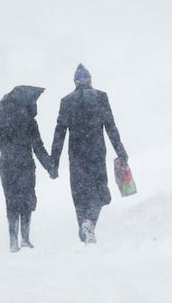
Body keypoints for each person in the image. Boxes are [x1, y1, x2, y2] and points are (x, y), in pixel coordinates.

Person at [49, 64, 129, 244]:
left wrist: (54, 162)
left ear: (75, 82)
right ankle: (90, 223)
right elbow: (111, 127)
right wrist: (121, 151)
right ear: (90, 80)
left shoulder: (66, 101)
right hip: (96, 154)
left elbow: (59, 134)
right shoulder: (100, 97)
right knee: (99, 192)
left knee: (79, 194)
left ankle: (84, 227)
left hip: (77, 155)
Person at [0, 85, 55, 252]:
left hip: (7, 164)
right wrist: (50, 167)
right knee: (27, 200)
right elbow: (38, 147)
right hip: (25, 164)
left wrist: (7, 149)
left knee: (11, 201)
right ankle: (26, 238)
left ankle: (13, 240)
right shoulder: (29, 122)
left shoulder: (1, 119)